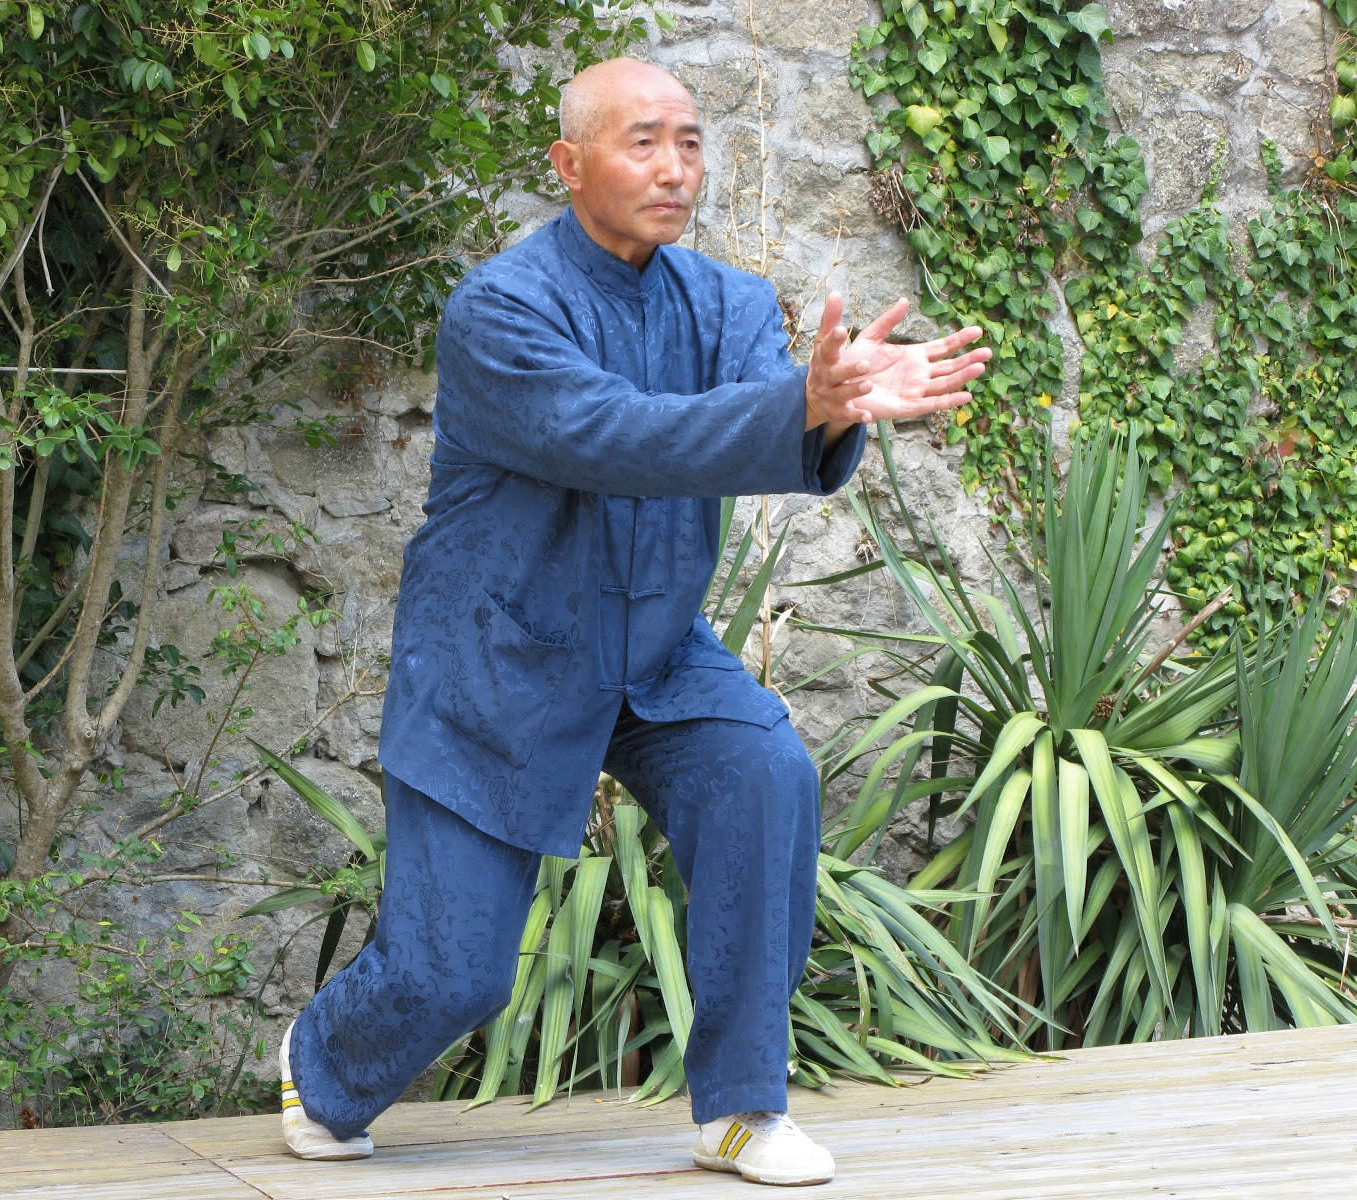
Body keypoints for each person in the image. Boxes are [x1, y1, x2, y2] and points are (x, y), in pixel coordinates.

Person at [279, 57, 989, 1187]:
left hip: (654, 656)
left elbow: (772, 429)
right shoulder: (499, 311)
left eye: (691, 142)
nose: (674, 167)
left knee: (765, 772)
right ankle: (324, 1063)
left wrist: (828, 406)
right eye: (642, 141)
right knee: (454, 975)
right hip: (495, 664)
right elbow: (624, 437)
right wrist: (792, 404)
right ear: (568, 165)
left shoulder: (729, 303)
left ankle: (742, 1108)